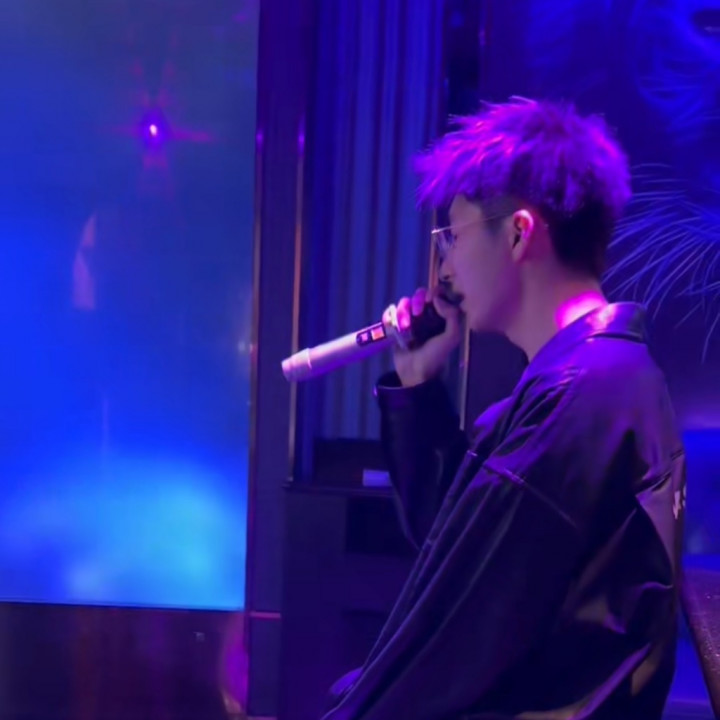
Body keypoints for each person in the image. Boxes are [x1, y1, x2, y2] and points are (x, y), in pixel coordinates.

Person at [322, 98, 686, 720]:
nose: (443, 269)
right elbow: (458, 550)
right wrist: (417, 383)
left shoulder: (578, 398)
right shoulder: (607, 377)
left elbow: (447, 639)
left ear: (518, 233)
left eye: (453, 237)